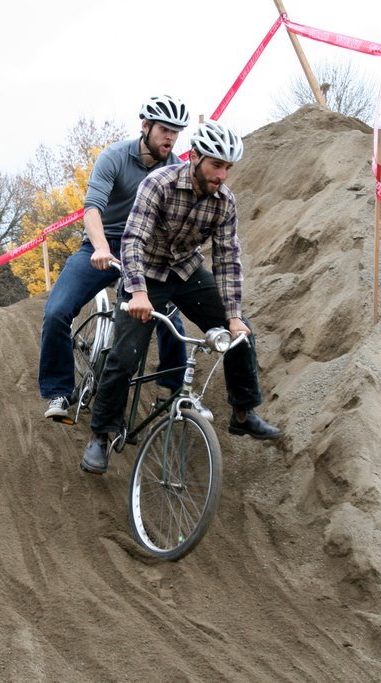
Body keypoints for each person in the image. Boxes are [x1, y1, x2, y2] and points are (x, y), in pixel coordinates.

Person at [81, 120, 282, 475]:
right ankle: (100, 435)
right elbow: (133, 240)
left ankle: (243, 412)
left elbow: (227, 260)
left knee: (240, 334)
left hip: (185, 272)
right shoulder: (159, 184)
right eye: (216, 165)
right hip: (145, 273)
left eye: (228, 167)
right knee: (125, 355)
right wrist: (138, 292)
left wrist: (234, 316)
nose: (222, 175)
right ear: (196, 158)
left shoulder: (224, 202)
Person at [40, 95, 191, 421]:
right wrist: (99, 247)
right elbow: (92, 208)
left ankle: (172, 392)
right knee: (56, 312)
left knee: (170, 316)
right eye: (164, 130)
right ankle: (59, 390)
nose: (170, 138)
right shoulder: (114, 157)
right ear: (145, 126)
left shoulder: (177, 169)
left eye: (176, 132)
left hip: (146, 251)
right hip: (102, 244)